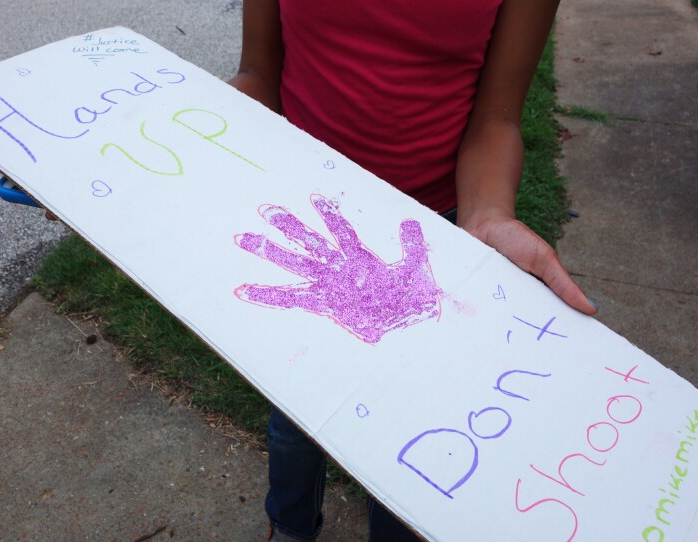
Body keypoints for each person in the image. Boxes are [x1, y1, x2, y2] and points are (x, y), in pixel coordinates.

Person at [227, 1, 597, 540]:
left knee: (409, 437)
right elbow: (260, 74)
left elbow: (496, 117)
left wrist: (487, 214)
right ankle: (288, 526)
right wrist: (184, 131)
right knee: (295, 419)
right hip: (316, 228)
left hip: (432, 236)